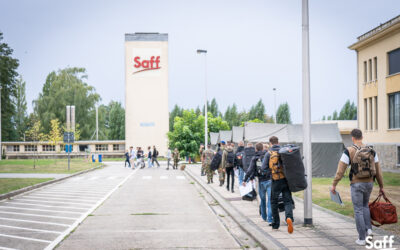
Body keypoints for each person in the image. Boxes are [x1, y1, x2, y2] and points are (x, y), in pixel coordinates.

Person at [331, 129, 384, 246]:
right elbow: (378, 171)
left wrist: (334, 184)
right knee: (365, 206)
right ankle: (369, 230)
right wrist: (381, 186)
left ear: (352, 138)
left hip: (356, 184)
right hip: (369, 183)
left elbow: (340, 171)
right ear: (362, 137)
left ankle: (361, 238)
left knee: (358, 209)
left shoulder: (348, 151)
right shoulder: (372, 151)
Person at [268, 136, 294, 234]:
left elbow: (264, 168)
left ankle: (275, 224)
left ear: (270, 143)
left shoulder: (269, 153)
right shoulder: (284, 151)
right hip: (286, 180)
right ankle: (289, 218)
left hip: (275, 180)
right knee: (287, 200)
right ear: (278, 142)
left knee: (274, 202)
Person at [243, 142, 271, 223]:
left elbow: (250, 169)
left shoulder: (254, 158)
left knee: (262, 200)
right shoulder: (268, 155)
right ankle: (270, 219)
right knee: (270, 199)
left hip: (260, 181)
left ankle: (264, 217)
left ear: (256, 149)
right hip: (269, 180)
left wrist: (245, 180)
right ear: (263, 148)